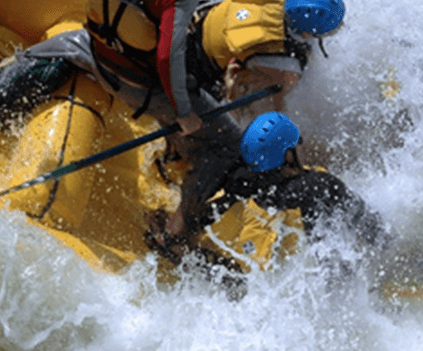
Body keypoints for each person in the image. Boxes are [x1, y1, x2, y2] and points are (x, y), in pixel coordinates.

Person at [0, 0, 245, 243]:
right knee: (225, 142)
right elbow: (166, 58)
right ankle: (176, 233)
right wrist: (183, 112)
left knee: (66, 41)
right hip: (137, 84)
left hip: (93, 50)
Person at [146, 112, 388, 265]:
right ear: (289, 156)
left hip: (249, 275)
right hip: (296, 278)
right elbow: (373, 230)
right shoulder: (319, 186)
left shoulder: (225, 194)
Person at [185, 0, 346, 119]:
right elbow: (273, 111)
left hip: (194, 22)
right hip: (196, 69)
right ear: (305, 35)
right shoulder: (284, 66)